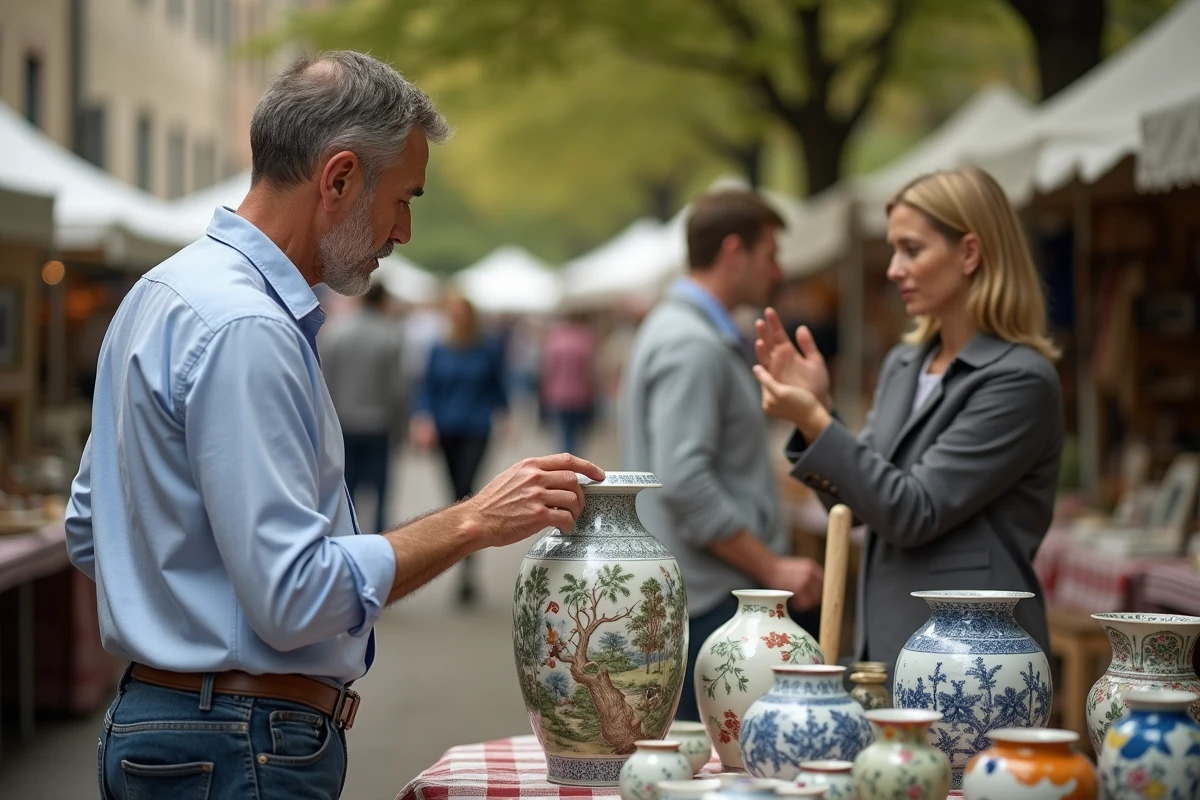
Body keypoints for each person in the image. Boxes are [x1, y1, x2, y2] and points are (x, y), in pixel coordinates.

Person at [64, 50, 604, 800]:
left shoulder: (163, 293)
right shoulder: (245, 325)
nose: (405, 231)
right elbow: (292, 599)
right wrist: (473, 521)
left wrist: (189, 603)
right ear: (340, 178)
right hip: (238, 739)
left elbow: (90, 530)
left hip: (182, 725)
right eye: (404, 199)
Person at [752, 167, 1063, 680]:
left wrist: (816, 421)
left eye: (911, 250)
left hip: (976, 662)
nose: (894, 269)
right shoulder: (905, 364)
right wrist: (818, 416)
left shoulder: (1019, 380)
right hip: (891, 642)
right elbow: (856, 504)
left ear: (969, 253)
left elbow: (912, 512)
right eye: (893, 249)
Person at [620, 189, 824, 723]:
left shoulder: (683, 330)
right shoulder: (693, 342)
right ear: (734, 251)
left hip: (700, 593)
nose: (776, 271)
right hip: (712, 599)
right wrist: (772, 565)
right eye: (769, 254)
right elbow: (685, 480)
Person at [410, 290, 509, 607]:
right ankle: (462, 556)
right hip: (446, 428)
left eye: (460, 311)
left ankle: (467, 566)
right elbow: (427, 388)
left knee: (466, 489)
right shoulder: (439, 348)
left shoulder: (487, 348)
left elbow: (497, 385)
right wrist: (422, 419)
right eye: (451, 311)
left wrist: (505, 415)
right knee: (455, 493)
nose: (457, 316)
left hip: (477, 427)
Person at [321, 281, 406, 534]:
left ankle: (350, 541)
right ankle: (381, 543)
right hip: (378, 424)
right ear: (383, 301)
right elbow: (398, 388)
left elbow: (326, 381)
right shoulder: (390, 335)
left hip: (344, 423)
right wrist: (401, 427)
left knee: (347, 489)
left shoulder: (336, 331)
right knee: (380, 491)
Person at [540, 312, 598, 455]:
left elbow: (547, 369)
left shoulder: (555, 340)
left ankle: (566, 463)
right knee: (578, 434)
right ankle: (574, 462)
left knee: (565, 433)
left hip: (558, 394)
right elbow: (591, 370)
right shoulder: (585, 339)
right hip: (581, 394)